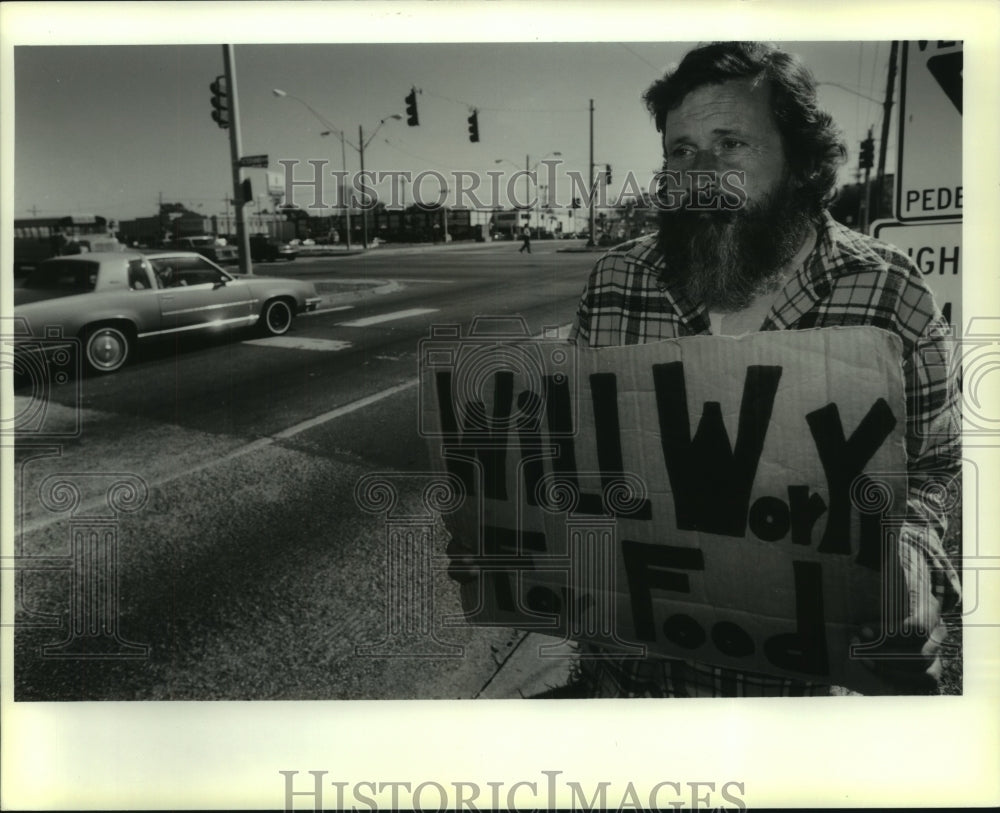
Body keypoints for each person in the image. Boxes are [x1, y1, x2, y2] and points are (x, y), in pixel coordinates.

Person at [564, 41, 961, 696]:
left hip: (797, 705)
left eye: (730, 145)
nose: (701, 173)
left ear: (802, 160)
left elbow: (931, 469)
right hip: (632, 687)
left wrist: (909, 577)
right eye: (682, 151)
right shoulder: (617, 281)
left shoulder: (889, 291)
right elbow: (574, 451)